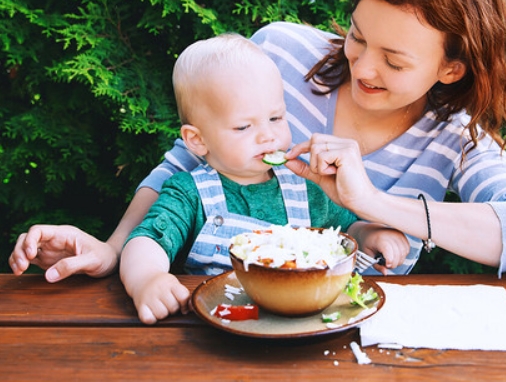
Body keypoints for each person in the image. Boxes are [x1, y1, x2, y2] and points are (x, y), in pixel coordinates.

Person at [9, 0, 506, 282]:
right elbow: (181, 168)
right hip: (218, 314)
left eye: (395, 62)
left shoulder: (457, 136)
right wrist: (114, 251)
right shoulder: (280, 52)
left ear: (450, 69)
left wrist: (373, 204)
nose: (363, 69)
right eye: (358, 36)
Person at [119, 34, 409, 324]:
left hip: (301, 322)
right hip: (224, 323)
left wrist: (369, 235)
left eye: (276, 118)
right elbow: (147, 241)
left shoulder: (305, 188)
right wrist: (147, 278)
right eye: (244, 126)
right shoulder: (189, 193)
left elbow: (345, 229)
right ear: (197, 139)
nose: (267, 136)